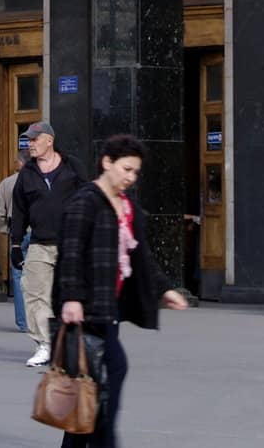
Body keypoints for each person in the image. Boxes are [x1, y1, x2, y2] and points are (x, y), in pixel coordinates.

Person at [55, 133, 188, 448]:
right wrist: (72, 298)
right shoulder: (85, 202)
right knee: (104, 380)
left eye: (135, 172)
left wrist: (164, 289)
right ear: (107, 163)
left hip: (107, 309)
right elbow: (70, 253)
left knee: (89, 389)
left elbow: (140, 256)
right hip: (85, 311)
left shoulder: (127, 207)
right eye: (126, 169)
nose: (131, 177)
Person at [10, 121, 85, 367]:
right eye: (28, 140)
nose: (29, 144)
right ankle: (44, 344)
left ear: (49, 140)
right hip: (39, 243)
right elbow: (19, 211)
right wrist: (15, 244)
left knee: (69, 296)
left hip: (70, 243)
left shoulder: (72, 166)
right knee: (33, 293)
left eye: (34, 139)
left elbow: (89, 197)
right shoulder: (27, 174)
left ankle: (73, 345)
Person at [0, 152, 29, 333]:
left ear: (19, 163)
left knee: (18, 276)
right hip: (38, 232)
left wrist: (6, 230)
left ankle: (23, 322)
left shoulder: (7, 183)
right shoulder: (39, 181)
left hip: (17, 233)